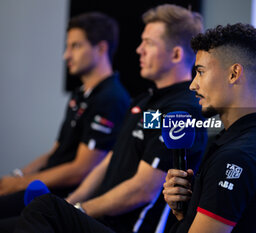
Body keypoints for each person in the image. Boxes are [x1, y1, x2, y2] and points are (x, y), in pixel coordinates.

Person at [12, 4, 207, 233]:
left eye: (149, 43)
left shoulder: (182, 110)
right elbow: (109, 160)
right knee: (38, 212)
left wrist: (80, 210)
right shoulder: (147, 102)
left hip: (128, 228)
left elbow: (142, 189)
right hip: (104, 221)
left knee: (43, 209)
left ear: (176, 54)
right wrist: (72, 202)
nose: (139, 50)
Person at [0, 12, 130, 219]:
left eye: (76, 46)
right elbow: (55, 151)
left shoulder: (111, 98)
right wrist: (18, 175)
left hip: (65, 196)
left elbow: (82, 169)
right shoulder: (80, 94)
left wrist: (18, 184)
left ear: (101, 48)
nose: (66, 55)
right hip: (46, 187)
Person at [163, 23, 256, 233]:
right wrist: (186, 212)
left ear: (234, 74)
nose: (193, 85)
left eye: (200, 72)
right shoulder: (243, 141)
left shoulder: (238, 156)